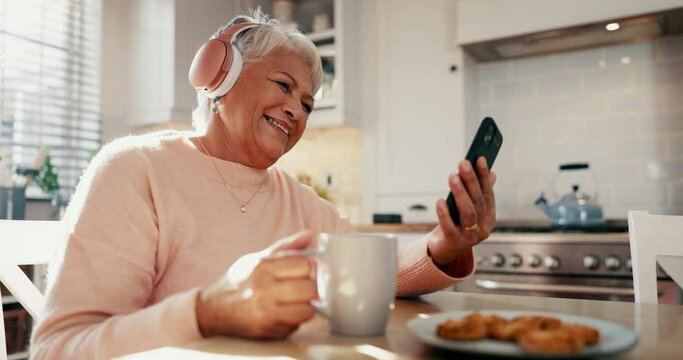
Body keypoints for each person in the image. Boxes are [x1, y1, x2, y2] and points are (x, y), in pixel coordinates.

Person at [30, 10, 497, 359]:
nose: (296, 109)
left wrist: (443, 244)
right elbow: (61, 347)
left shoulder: (303, 203)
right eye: (282, 85)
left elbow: (375, 269)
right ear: (221, 80)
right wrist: (206, 311)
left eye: (308, 104)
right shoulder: (135, 169)